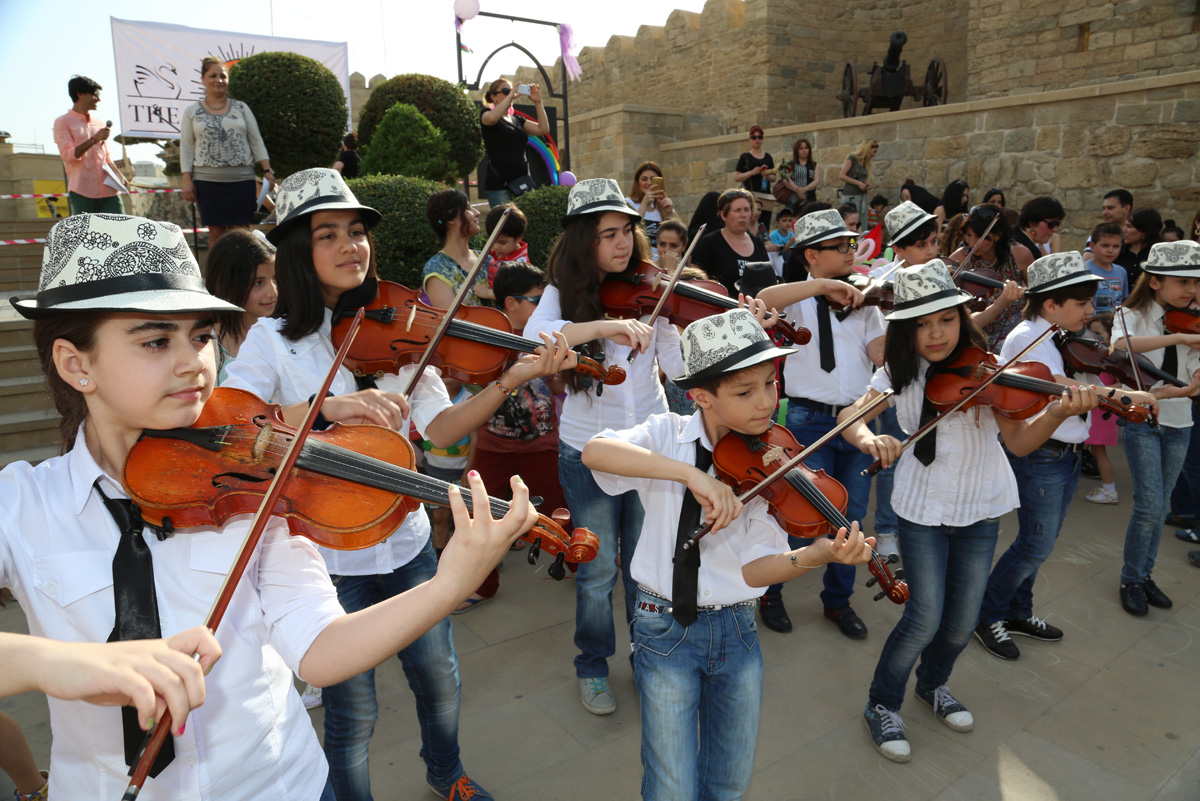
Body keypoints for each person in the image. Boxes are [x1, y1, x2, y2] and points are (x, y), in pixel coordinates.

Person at [4, 211, 538, 800]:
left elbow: (318, 649)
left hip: (283, 785)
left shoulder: (251, 488)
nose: (195, 363)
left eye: (201, 337)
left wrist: (449, 584)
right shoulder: (22, 503)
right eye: (156, 341)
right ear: (76, 364)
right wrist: (59, 666)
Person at [223, 169, 572, 801]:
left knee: (440, 679)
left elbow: (441, 429)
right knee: (353, 711)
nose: (350, 245)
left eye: (356, 231)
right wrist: (328, 408)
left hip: (408, 542)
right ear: (298, 250)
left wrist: (510, 380)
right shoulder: (270, 341)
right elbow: (233, 424)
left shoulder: (398, 328)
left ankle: (446, 773)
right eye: (328, 234)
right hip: (328, 558)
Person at [581, 308, 872, 801]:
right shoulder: (666, 435)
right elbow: (595, 450)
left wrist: (816, 555)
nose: (766, 402)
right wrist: (691, 475)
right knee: (671, 787)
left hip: (737, 630)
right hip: (663, 628)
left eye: (770, 384)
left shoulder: (772, 463)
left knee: (730, 782)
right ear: (701, 396)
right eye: (744, 391)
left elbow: (756, 571)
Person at [836, 260, 1100, 762]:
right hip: (922, 508)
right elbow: (851, 415)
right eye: (921, 324)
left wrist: (1057, 411)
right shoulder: (897, 372)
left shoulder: (990, 368)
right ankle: (882, 703)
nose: (936, 333)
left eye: (946, 319)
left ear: (962, 318)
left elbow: (1018, 442)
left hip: (980, 507)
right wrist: (869, 438)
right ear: (905, 330)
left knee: (960, 622)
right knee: (923, 618)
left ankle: (932, 684)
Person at [524, 178, 688, 716]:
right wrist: (605, 324)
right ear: (583, 241)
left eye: (626, 231)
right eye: (607, 234)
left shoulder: (651, 286)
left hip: (648, 446)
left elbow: (679, 368)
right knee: (596, 571)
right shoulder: (561, 292)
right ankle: (592, 665)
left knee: (645, 562)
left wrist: (702, 327)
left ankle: (646, 656)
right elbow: (534, 336)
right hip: (586, 449)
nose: (622, 243)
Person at [974, 253, 1158, 660]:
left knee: (1043, 542)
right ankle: (987, 615)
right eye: (1082, 303)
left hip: (1068, 453)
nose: (1091, 311)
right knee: (1034, 545)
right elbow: (1057, 382)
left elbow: (1080, 372)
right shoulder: (1026, 337)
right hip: (1042, 454)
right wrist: (1122, 394)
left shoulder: (1061, 335)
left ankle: (1017, 611)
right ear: (1051, 304)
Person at [755, 209, 883, 637]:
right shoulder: (798, 301)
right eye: (840, 246)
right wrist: (823, 286)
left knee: (852, 515)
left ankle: (838, 602)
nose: (850, 252)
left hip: (857, 420)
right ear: (811, 255)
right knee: (799, 512)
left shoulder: (865, 303)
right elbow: (764, 298)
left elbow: (881, 355)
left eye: (851, 245)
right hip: (808, 420)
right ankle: (771, 590)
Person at [1111, 240, 1200, 616]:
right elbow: (1121, 345)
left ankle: (1144, 575)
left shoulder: (1193, 317)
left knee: (1162, 504)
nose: (1191, 290)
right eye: (1183, 282)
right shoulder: (1130, 314)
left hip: (1180, 420)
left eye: (1196, 283)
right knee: (1148, 506)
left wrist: (1194, 377)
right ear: (1154, 281)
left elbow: (1193, 368)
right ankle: (1131, 579)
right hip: (1144, 420)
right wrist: (1179, 337)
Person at [472, 262, 570, 596]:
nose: (545, 308)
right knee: (478, 515)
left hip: (541, 443)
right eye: (536, 301)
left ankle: (580, 565)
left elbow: (555, 387)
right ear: (511, 303)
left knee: (560, 511)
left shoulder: (543, 336)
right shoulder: (485, 339)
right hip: (494, 446)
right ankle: (481, 585)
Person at [865, 201, 943, 560]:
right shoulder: (884, 284)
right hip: (899, 379)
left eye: (934, 242)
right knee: (892, 457)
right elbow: (881, 348)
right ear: (898, 249)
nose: (931, 251)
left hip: (938, 380)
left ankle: (922, 518)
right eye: (921, 244)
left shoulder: (941, 277)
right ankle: (886, 528)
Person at [180, 57, 272, 245]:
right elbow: (187, 147)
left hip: (242, 181)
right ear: (203, 79)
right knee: (216, 233)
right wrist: (187, 180)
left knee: (242, 231)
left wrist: (267, 170)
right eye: (212, 76)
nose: (218, 80)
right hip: (207, 183)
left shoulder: (241, 108)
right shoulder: (192, 111)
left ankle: (246, 266)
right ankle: (217, 267)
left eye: (223, 76)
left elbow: (255, 140)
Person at [946, 205, 1030, 349]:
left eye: (980, 237)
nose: (972, 243)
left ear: (997, 235)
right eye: (968, 235)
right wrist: (1001, 303)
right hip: (977, 337)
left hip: (1016, 335)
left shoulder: (1019, 254)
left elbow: (1037, 295)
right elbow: (963, 322)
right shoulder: (959, 259)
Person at [203, 229, 277, 383]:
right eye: (258, 283)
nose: (272, 292)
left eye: (275, 279)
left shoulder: (284, 335)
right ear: (224, 285)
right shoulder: (207, 343)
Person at [52, 75, 125, 215]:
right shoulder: (62, 122)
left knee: (119, 227)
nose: (98, 99)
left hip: (110, 190)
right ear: (80, 94)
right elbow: (67, 155)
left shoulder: (99, 123)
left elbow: (106, 156)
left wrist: (118, 174)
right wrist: (94, 139)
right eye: (94, 95)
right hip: (82, 193)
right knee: (87, 230)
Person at [479, 78, 550, 207]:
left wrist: (538, 102)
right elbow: (492, 119)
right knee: (505, 219)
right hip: (499, 185)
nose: (511, 94)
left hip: (521, 182)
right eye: (506, 91)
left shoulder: (517, 120)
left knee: (525, 219)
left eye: (512, 90)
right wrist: (510, 96)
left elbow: (543, 129)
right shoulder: (486, 114)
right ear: (493, 96)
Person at [690, 189, 770, 295]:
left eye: (747, 210)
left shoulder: (758, 244)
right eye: (737, 210)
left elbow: (768, 283)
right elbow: (695, 282)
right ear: (723, 215)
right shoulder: (709, 243)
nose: (743, 215)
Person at [423, 189, 495, 306]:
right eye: (467, 208)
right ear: (451, 219)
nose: (477, 213)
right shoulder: (438, 268)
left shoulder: (486, 259)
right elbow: (451, 317)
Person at [1084, 313, 1123, 505]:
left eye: (1099, 334)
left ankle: (1110, 491)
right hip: (1097, 411)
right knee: (1090, 449)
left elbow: (1120, 385)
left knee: (1099, 452)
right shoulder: (1096, 355)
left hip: (1101, 413)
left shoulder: (1111, 357)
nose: (1094, 338)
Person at [628, 161, 676, 258]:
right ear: (637, 182)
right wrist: (644, 203)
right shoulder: (630, 203)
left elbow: (680, 233)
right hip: (640, 258)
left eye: (653, 179)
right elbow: (632, 228)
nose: (649, 183)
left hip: (661, 261)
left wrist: (670, 212)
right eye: (644, 179)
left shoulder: (661, 206)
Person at [733, 125, 776, 231]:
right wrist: (752, 172)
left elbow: (774, 177)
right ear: (750, 139)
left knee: (765, 225)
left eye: (759, 137)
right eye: (754, 137)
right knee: (749, 224)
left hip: (765, 197)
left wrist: (766, 173)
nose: (757, 139)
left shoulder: (768, 157)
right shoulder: (745, 157)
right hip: (750, 196)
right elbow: (736, 177)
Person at [1085, 222, 1130, 316]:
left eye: (1116, 246)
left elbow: (1124, 301)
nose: (1110, 250)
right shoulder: (1084, 271)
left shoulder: (1121, 272)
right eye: (1105, 245)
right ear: (1092, 246)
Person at [482, 203, 530, 287]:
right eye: (491, 241)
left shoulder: (520, 265)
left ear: (518, 238)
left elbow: (513, 292)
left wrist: (487, 293)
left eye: (502, 243)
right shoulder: (504, 252)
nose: (495, 247)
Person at [1013, 197, 1062, 268]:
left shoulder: (1011, 233)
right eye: (1051, 224)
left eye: (1057, 224)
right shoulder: (1028, 250)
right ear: (1033, 222)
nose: (1055, 229)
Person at [837, 139, 878, 221]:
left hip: (862, 197)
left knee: (862, 222)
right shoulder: (852, 158)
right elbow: (841, 176)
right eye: (874, 151)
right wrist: (858, 183)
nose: (874, 155)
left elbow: (860, 179)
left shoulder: (865, 163)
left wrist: (865, 185)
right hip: (851, 196)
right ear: (867, 149)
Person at [1123, 208, 1163, 287]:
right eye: (1125, 225)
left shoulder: (1158, 255)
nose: (1124, 230)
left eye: (1129, 226)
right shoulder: (1119, 252)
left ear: (1144, 231)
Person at [778, 137, 819, 211]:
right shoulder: (789, 164)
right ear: (796, 151)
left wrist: (805, 189)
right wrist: (798, 191)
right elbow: (786, 180)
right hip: (793, 201)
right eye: (801, 148)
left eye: (806, 148)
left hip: (810, 200)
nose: (804, 150)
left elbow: (816, 181)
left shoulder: (814, 165)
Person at [767, 207, 796, 274]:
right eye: (784, 221)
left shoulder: (792, 235)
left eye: (790, 220)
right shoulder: (774, 235)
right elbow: (778, 252)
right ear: (777, 223)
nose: (787, 223)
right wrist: (790, 243)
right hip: (779, 263)